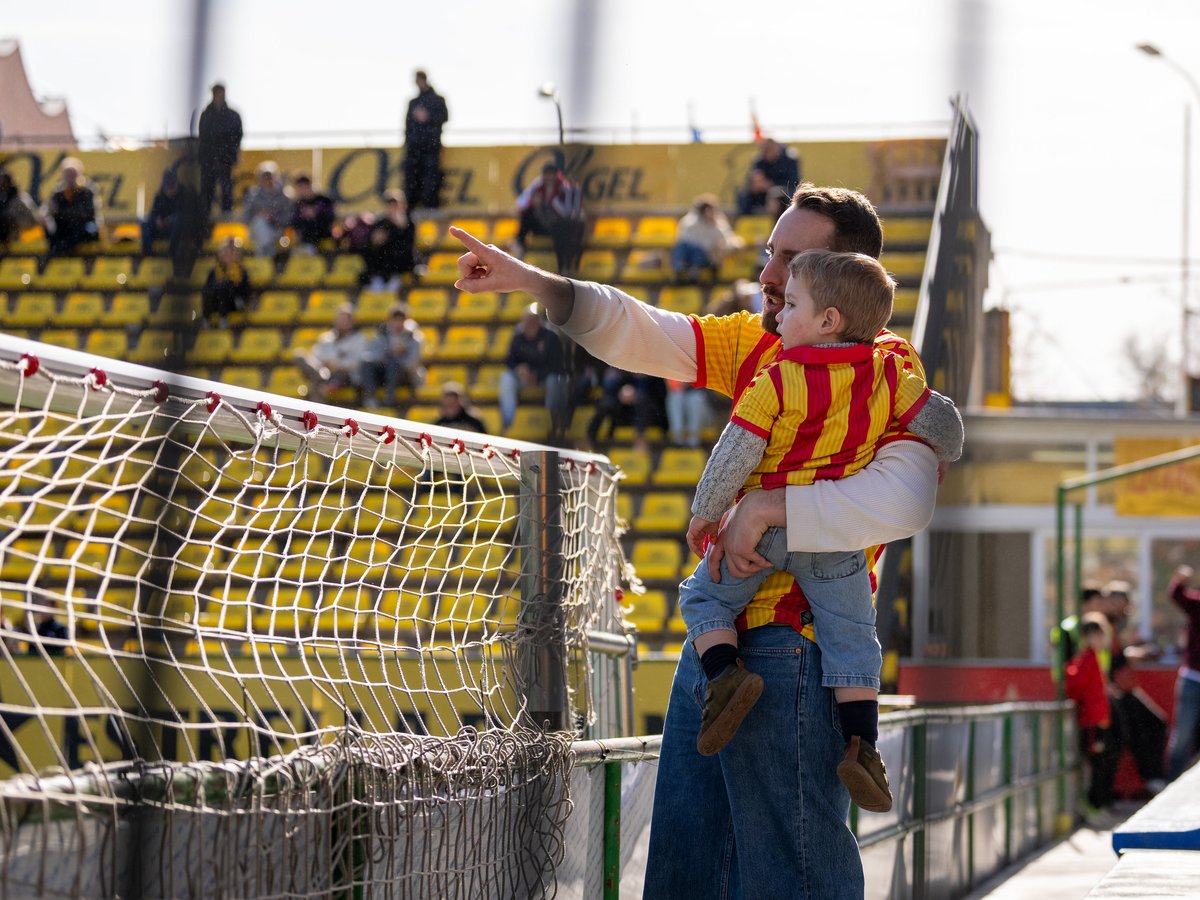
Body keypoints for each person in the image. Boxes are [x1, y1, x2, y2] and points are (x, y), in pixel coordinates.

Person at [449, 182, 944, 897]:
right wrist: (534, 282)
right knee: (681, 872)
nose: (770, 275)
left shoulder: (888, 366)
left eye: (794, 259)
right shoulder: (756, 340)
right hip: (715, 654)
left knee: (793, 879)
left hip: (798, 651)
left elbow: (908, 496)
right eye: (770, 254)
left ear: (844, 286)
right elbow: (640, 329)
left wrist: (769, 508)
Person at [678, 250, 962, 812]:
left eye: (793, 304)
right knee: (852, 638)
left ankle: (726, 677)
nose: (779, 313)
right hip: (834, 538)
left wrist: (706, 513)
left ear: (827, 320)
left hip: (763, 534)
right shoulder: (890, 372)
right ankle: (863, 746)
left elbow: (733, 453)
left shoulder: (778, 378)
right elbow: (944, 420)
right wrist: (944, 451)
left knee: (703, 597)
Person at [1103, 580, 1168, 793]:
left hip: (1123, 689)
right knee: (1121, 738)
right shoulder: (1103, 625)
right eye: (1117, 602)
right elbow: (1106, 660)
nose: (1123, 609)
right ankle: (1149, 780)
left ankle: (1152, 779)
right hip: (1114, 691)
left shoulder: (1115, 625)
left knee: (1153, 725)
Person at [1065, 612, 1122, 810]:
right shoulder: (1087, 658)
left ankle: (1099, 803)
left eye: (1102, 635)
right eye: (1097, 636)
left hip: (1099, 717)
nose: (1101, 640)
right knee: (1096, 763)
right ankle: (1093, 805)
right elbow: (1074, 684)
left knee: (1103, 760)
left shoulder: (1095, 657)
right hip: (1092, 719)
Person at [500, 305, 570, 440]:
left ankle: (553, 423)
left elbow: (557, 366)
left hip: (545, 377)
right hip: (523, 378)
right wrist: (518, 369)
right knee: (506, 378)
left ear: (539, 321)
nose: (528, 325)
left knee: (556, 380)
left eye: (532, 321)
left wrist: (537, 375)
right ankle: (508, 424)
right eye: (526, 321)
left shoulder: (551, 336)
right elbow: (509, 360)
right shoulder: (518, 335)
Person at [513, 162, 585, 275]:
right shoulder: (537, 185)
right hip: (542, 224)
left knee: (562, 227)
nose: (549, 177)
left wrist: (554, 202)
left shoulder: (565, 188)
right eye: (547, 174)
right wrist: (534, 203)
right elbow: (520, 204)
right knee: (527, 215)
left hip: (558, 227)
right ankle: (519, 245)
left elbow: (569, 213)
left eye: (552, 174)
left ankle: (564, 267)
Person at [295, 305, 370, 402]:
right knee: (299, 355)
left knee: (318, 382)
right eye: (340, 319)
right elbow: (315, 356)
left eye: (345, 320)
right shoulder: (325, 337)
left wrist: (337, 365)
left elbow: (358, 361)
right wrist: (326, 363)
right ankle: (321, 378)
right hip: (323, 369)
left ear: (352, 322)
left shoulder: (359, 339)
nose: (342, 322)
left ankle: (322, 382)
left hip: (344, 375)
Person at [584, 367, 667, 453]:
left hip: (648, 418)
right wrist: (621, 396)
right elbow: (613, 395)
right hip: (625, 414)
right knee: (606, 403)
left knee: (643, 402)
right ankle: (590, 437)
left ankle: (640, 438)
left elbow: (660, 400)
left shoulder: (656, 380)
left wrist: (637, 396)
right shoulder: (626, 378)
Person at [1167, 565, 1200, 780]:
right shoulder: (1197, 604)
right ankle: (1171, 781)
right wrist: (1180, 578)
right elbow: (1176, 594)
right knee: (1183, 736)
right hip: (1193, 679)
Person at [359, 304, 425, 408]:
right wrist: (388, 353)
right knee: (367, 363)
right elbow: (373, 354)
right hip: (384, 372)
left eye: (400, 319)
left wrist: (400, 357)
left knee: (393, 364)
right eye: (395, 319)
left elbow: (413, 363)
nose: (397, 323)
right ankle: (370, 397)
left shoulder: (414, 337)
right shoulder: (383, 334)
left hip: (405, 376)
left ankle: (389, 398)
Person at [142, 168, 203, 275]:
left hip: (182, 233)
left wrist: (172, 219)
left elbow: (191, 215)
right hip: (165, 231)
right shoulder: (160, 196)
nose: (169, 190)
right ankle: (148, 255)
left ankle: (172, 252)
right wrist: (157, 220)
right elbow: (153, 213)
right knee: (145, 223)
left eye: (171, 187)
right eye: (167, 188)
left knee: (180, 221)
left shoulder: (186, 195)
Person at [670, 194, 743, 282]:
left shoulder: (719, 224)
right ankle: (680, 271)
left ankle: (693, 271)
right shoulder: (690, 223)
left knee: (696, 251)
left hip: (708, 258)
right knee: (682, 247)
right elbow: (683, 240)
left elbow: (729, 238)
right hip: (690, 256)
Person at [404, 70, 449, 209]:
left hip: (430, 146)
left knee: (430, 177)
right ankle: (412, 205)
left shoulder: (437, 100)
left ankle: (430, 204)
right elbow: (407, 124)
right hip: (414, 147)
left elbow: (445, 117)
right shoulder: (413, 102)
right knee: (412, 177)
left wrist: (428, 117)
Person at [197, 83, 243, 216]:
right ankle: (206, 220)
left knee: (226, 191)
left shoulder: (232, 116)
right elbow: (203, 138)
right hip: (208, 160)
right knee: (207, 191)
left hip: (225, 159)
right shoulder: (206, 115)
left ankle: (226, 219)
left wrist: (233, 154)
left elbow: (237, 136)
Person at [42, 158, 101, 256]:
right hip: (65, 229)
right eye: (67, 175)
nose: (70, 178)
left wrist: (60, 212)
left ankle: (63, 252)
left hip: (83, 227)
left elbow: (85, 214)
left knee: (82, 230)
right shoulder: (58, 192)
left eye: (73, 175)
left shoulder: (87, 191)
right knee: (51, 229)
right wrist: (47, 214)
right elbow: (47, 210)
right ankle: (54, 253)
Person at [359, 191, 417, 290]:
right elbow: (367, 248)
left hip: (400, 269)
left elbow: (408, 247)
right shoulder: (381, 224)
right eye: (390, 205)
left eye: (395, 205)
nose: (392, 208)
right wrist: (374, 242)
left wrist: (401, 228)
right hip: (381, 270)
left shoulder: (408, 224)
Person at [737, 137, 801, 215]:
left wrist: (770, 185)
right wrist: (755, 184)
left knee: (775, 194)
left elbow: (793, 182)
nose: (767, 153)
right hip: (763, 195)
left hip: (784, 194)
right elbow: (751, 180)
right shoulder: (759, 161)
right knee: (743, 196)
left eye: (770, 149)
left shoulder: (789, 160)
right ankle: (747, 222)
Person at [242, 161, 294, 256]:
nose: (267, 180)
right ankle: (268, 252)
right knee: (259, 224)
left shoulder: (285, 196)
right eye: (264, 177)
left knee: (261, 244)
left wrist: (272, 218)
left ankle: (265, 255)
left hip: (277, 231)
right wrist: (259, 217)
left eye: (270, 176)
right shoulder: (252, 195)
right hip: (256, 231)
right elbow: (245, 217)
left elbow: (288, 219)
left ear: (276, 177)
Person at [201, 237, 253, 324]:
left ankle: (223, 319)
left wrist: (233, 286)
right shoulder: (214, 271)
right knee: (209, 291)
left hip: (234, 303)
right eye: (224, 252)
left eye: (229, 253)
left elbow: (246, 291)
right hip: (216, 302)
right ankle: (206, 319)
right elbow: (208, 287)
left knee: (224, 286)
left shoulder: (241, 271)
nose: (226, 255)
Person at [289, 174, 337, 253]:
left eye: (299, 187)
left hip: (323, 235)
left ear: (307, 186)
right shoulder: (299, 203)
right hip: (305, 238)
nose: (298, 191)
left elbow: (331, 217)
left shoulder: (324, 200)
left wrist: (316, 212)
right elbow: (294, 221)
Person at [0, 168, 36, 249]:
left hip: (17, 234)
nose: (2, 185)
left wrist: (15, 221)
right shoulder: (2, 198)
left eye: (4, 182)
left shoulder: (21, 198)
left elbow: (32, 220)